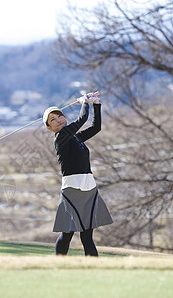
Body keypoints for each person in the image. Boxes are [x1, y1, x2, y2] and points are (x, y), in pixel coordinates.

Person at [43, 94, 113, 256]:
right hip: (72, 189)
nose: (58, 120)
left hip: (88, 188)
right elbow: (82, 119)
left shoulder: (76, 137)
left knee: (87, 235)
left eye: (60, 116)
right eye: (52, 120)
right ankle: (58, 265)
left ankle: (92, 272)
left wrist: (96, 104)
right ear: (49, 128)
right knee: (67, 233)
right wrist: (84, 103)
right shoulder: (60, 137)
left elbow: (96, 127)